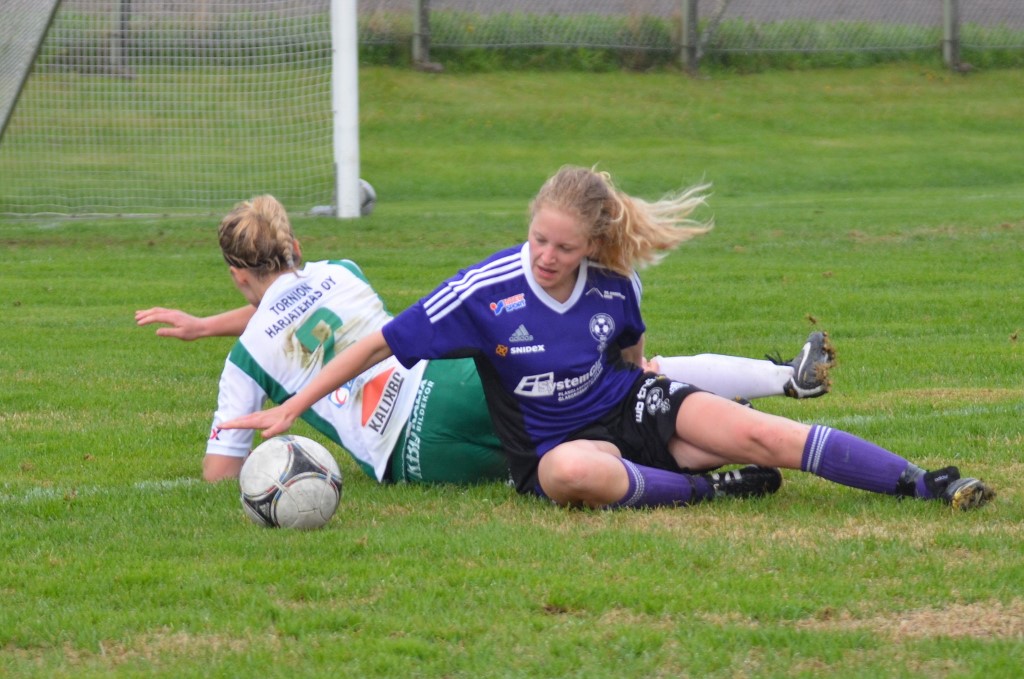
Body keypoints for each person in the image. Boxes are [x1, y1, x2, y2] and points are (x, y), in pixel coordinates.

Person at [220, 168, 995, 512]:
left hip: (629, 409)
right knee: (571, 472)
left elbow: (630, 354)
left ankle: (923, 483)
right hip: (552, 450)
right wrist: (292, 407)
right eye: (537, 238)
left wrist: (660, 395)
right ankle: (709, 489)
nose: (544, 255)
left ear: (592, 244)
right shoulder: (484, 290)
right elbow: (376, 345)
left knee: (764, 434)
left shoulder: (616, 283)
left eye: (562, 246)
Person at [137, 193, 834, 485]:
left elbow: (221, 470)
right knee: (617, 392)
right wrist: (212, 323)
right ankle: (774, 383)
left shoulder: (247, 359)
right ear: (296, 248)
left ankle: (712, 478)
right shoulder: (338, 272)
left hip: (413, 457)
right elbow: (296, 306)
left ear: (237, 277)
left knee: (582, 464)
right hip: (448, 386)